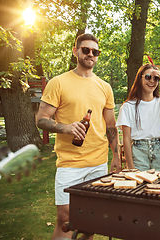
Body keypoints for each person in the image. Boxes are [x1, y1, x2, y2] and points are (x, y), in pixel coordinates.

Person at [36, 33, 121, 240]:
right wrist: (66, 128)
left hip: (98, 162)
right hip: (69, 163)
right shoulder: (59, 83)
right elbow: (41, 119)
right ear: (75, 51)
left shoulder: (105, 87)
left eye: (95, 51)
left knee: (90, 221)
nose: (90, 54)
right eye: (86, 50)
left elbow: (110, 125)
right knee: (65, 219)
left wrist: (116, 156)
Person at [116, 63, 160, 172]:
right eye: (147, 77)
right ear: (139, 79)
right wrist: (130, 167)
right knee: (140, 187)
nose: (152, 81)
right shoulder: (128, 106)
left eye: (156, 78)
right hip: (138, 151)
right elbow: (126, 139)